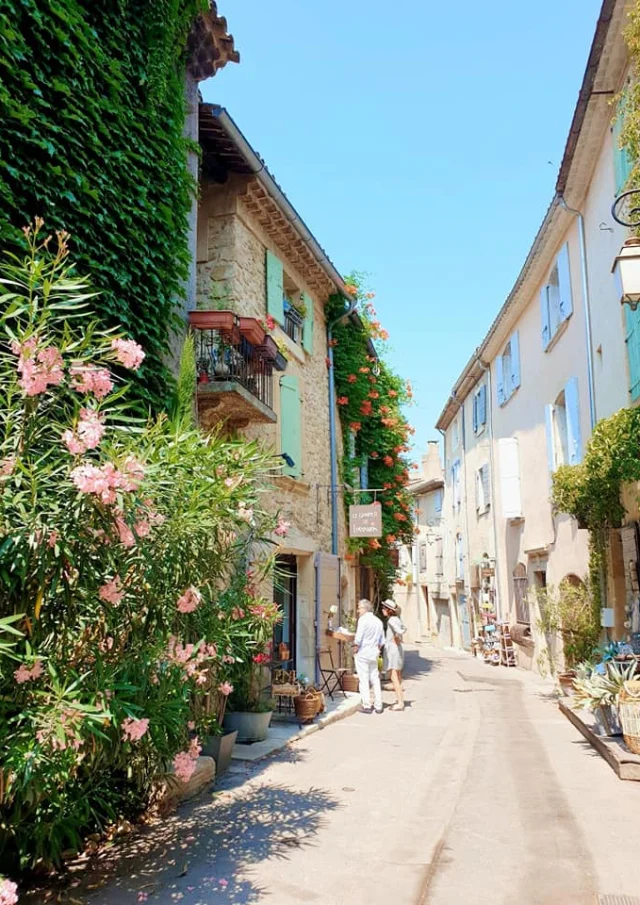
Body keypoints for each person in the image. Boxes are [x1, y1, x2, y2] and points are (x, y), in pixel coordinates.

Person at [352, 598, 384, 714]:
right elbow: (381, 641)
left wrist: (355, 649)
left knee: (364, 679)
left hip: (363, 653)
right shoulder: (378, 621)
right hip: (374, 653)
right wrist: (376, 650)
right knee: (375, 679)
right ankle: (379, 705)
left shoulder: (363, 620)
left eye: (359, 608)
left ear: (365, 608)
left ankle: (367, 705)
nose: (358, 610)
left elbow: (358, 638)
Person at [382, 599, 407, 711]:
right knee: (398, 675)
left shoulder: (391, 620)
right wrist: (398, 637)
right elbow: (404, 628)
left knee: (394, 677)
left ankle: (400, 703)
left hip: (393, 650)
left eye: (384, 608)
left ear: (388, 610)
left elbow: (400, 631)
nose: (382, 610)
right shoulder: (396, 619)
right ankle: (400, 699)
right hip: (397, 648)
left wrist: (397, 636)